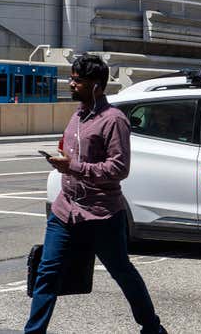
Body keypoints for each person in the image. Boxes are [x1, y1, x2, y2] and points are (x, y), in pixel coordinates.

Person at [25, 54, 166, 334]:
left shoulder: (114, 121)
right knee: (47, 273)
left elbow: (118, 168)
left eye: (78, 80)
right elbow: (75, 152)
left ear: (97, 86)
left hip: (101, 214)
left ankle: (152, 327)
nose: (71, 83)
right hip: (65, 211)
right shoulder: (76, 115)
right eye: (72, 78)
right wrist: (63, 157)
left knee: (122, 272)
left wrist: (73, 166)